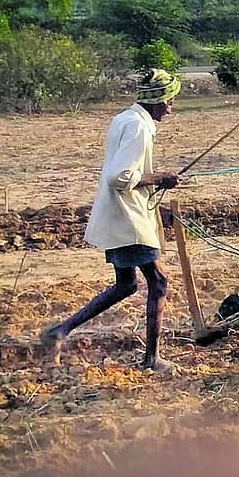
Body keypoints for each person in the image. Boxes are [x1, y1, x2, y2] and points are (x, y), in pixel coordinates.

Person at [41, 69, 181, 372]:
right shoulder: (139, 127)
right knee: (158, 282)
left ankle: (60, 331)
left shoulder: (124, 118)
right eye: (169, 101)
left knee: (126, 285)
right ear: (157, 100)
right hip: (128, 218)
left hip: (119, 214)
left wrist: (155, 180)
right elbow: (120, 177)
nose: (170, 108)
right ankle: (152, 359)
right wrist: (160, 178)